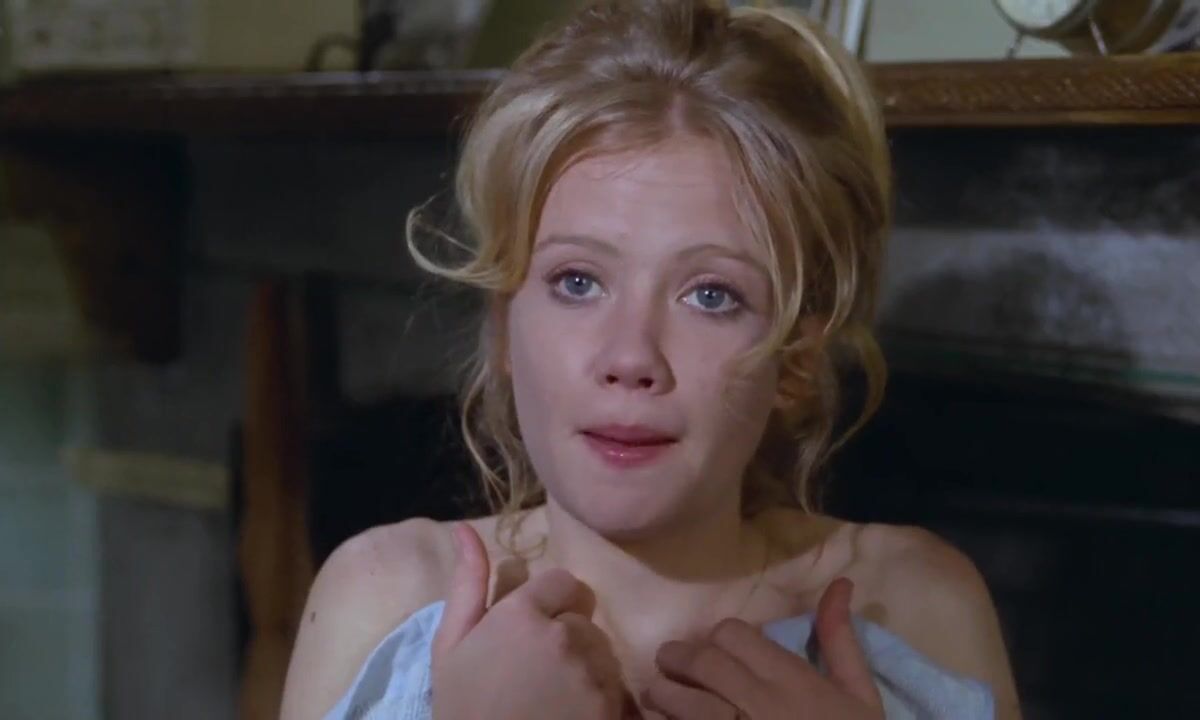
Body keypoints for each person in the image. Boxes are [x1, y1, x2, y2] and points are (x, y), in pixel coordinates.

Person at [281, 1, 1021, 718]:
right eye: (577, 282)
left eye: (711, 295)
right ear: (505, 327)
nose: (631, 357)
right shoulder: (384, 598)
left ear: (797, 357)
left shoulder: (912, 607)